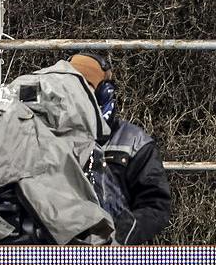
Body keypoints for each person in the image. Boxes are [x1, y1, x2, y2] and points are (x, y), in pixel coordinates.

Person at [70, 51, 172, 244]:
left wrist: (122, 237)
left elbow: (155, 205)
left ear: (104, 93)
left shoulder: (134, 142)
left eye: (86, 89)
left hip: (121, 255)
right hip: (62, 252)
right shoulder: (50, 136)